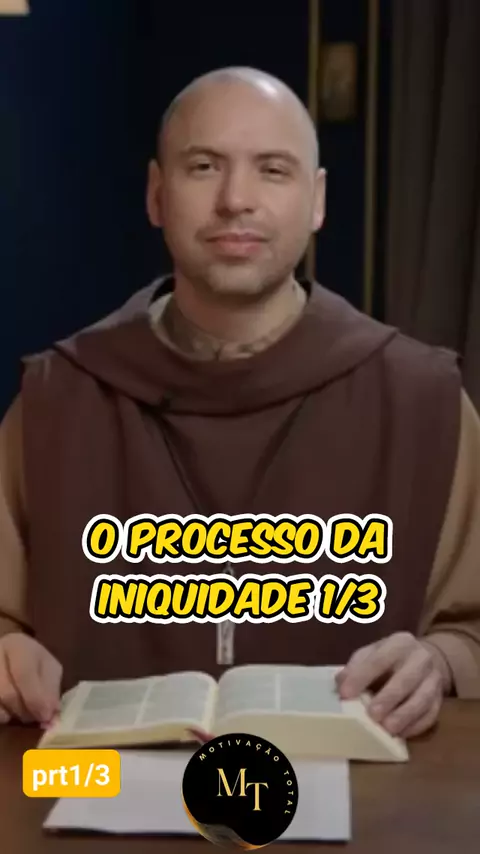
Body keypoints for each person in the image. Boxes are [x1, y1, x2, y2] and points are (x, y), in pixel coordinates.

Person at [1, 67, 480, 741]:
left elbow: (471, 627)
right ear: (157, 194)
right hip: (93, 785)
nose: (235, 200)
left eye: (273, 170)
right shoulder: (58, 399)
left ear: (317, 201)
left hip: (362, 793)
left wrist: (443, 661)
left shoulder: (421, 399)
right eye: (203, 167)